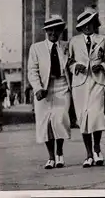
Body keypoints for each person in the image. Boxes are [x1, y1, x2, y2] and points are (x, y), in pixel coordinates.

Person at [27, 15, 71, 169]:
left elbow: (72, 63)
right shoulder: (36, 48)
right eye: (50, 30)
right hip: (43, 88)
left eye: (56, 29)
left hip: (62, 85)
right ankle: (51, 157)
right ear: (46, 31)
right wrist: (37, 88)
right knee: (44, 122)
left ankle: (59, 153)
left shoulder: (67, 46)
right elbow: (32, 71)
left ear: (61, 31)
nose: (53, 32)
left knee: (60, 119)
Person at [68, 6, 105, 168]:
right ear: (80, 27)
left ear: (94, 24)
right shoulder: (74, 41)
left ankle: (97, 148)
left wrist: (102, 67)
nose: (87, 27)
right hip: (80, 84)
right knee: (83, 118)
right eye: (84, 24)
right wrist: (76, 66)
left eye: (90, 23)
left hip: (97, 82)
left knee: (97, 115)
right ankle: (88, 154)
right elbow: (69, 61)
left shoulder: (103, 40)